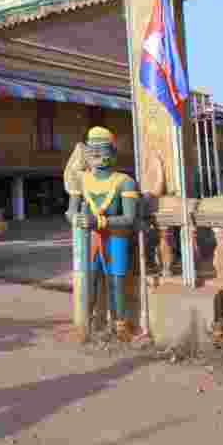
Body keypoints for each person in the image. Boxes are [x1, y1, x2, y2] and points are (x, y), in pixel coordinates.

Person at [68, 126, 140, 336]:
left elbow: (128, 219)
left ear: (114, 153)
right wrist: (76, 218)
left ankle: (119, 325)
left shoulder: (125, 182)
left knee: (116, 281)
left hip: (116, 238)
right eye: (92, 150)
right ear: (86, 154)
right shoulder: (81, 179)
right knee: (89, 280)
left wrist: (97, 221)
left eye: (103, 150)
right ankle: (87, 325)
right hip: (90, 239)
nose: (97, 154)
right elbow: (71, 211)